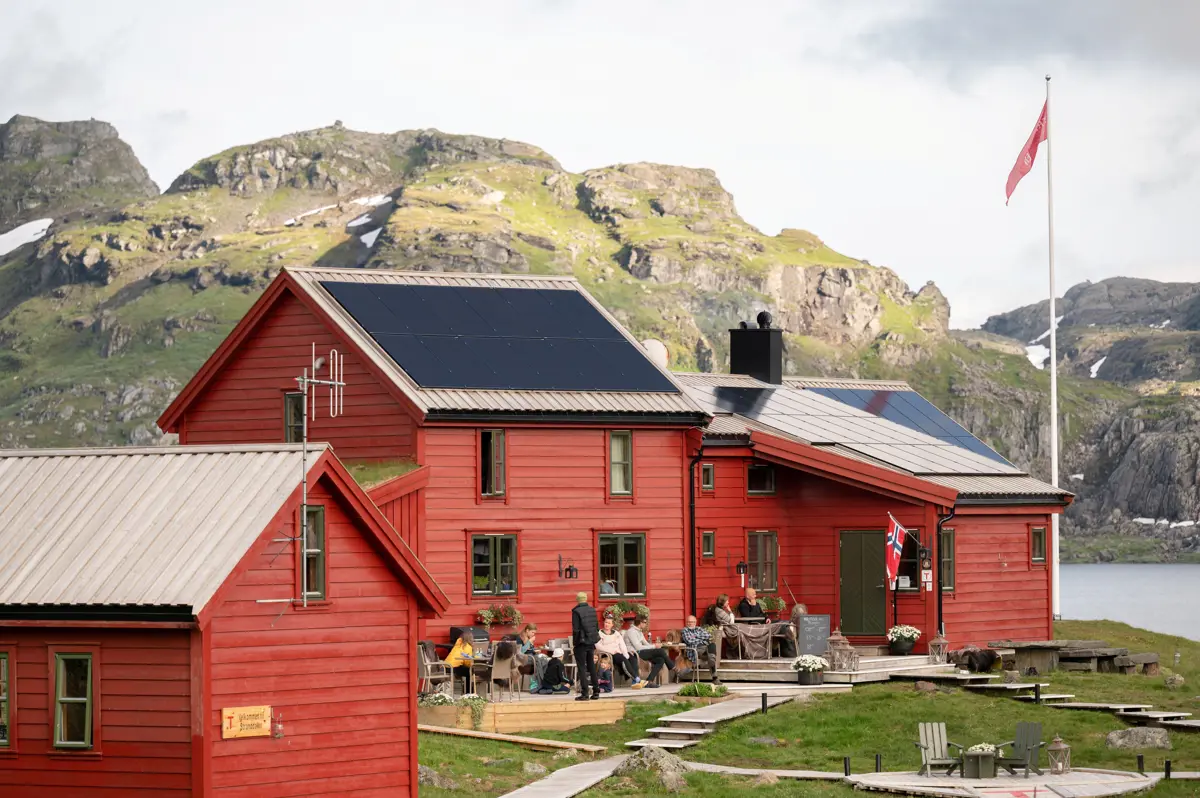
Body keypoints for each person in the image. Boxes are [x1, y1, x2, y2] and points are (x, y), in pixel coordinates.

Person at [624, 617, 674, 687]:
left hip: (641, 651)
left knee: (660, 660)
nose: (646, 624)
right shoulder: (631, 632)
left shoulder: (639, 631)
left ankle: (648, 681)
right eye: (644, 622)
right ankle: (672, 667)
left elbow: (646, 644)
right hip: (635, 653)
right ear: (640, 623)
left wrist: (656, 646)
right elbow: (638, 647)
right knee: (661, 651)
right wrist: (654, 646)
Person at [596, 614, 643, 688]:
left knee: (632, 656)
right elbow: (598, 646)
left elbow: (622, 645)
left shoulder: (616, 633)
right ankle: (637, 678)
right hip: (608, 655)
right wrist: (612, 650)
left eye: (609, 623)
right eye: (606, 622)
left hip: (618, 652)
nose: (607, 624)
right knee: (622, 658)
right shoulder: (599, 633)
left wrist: (626, 654)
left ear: (612, 625)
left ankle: (635, 682)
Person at [570, 592, 601, 701]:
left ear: (578, 599)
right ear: (586, 599)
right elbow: (596, 626)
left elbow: (576, 629)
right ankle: (596, 691)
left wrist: (575, 644)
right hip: (591, 641)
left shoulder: (576, 611)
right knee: (591, 666)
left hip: (581, 643)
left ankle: (585, 693)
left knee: (582, 667)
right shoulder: (592, 610)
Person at [679, 615, 720, 685]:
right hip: (695, 650)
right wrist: (701, 638)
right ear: (686, 623)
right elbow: (689, 640)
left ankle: (711, 659)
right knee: (711, 655)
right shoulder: (685, 630)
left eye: (692, 622)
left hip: (705, 649)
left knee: (712, 645)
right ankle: (715, 678)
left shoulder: (699, 629)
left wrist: (694, 636)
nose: (690, 623)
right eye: (688, 622)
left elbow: (708, 636)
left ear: (695, 622)